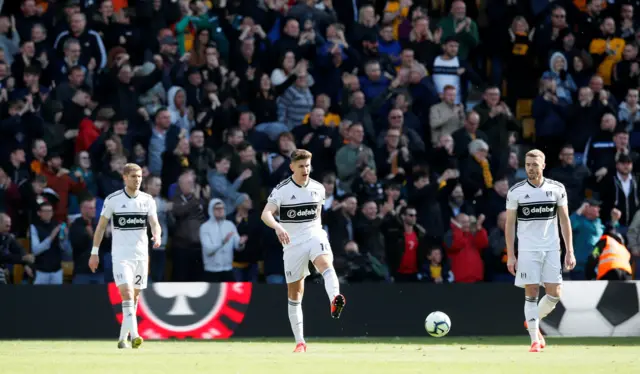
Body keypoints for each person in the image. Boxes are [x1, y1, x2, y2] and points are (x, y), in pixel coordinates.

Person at [261, 149, 346, 353]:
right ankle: (300, 342)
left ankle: (335, 299)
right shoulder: (281, 190)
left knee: (326, 264)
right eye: (301, 166)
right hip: (292, 244)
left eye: (308, 165)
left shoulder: (318, 188)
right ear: (292, 167)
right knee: (295, 293)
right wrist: (279, 227)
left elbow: (318, 216)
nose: (305, 169)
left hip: (314, 235)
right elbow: (266, 214)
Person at [505, 149, 576, 353]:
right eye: (527, 165)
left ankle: (533, 319)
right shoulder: (516, 192)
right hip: (528, 250)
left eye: (535, 164)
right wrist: (511, 254)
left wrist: (569, 250)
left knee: (554, 294)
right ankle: (535, 339)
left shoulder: (557, 189)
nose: (531, 168)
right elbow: (509, 225)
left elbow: (564, 220)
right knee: (532, 292)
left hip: (552, 248)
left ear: (543, 165)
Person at [88, 163, 161, 349]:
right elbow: (101, 227)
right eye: (133, 176)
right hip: (121, 256)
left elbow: (154, 223)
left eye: (139, 177)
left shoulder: (147, 200)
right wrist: (94, 252)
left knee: (134, 298)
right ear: (125, 178)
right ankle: (136, 334)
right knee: (126, 293)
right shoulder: (113, 200)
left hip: (141, 256)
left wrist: (157, 235)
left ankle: (123, 338)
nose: (137, 180)